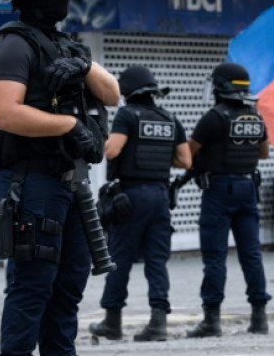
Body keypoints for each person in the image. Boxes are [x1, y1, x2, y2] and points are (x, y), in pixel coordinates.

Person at [0, 0, 120, 356]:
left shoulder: (65, 45)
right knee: (31, 289)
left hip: (71, 184)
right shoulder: (12, 44)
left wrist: (83, 66)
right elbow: (6, 113)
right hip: (32, 182)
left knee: (68, 289)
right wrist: (71, 124)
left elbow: (112, 95)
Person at [88, 65, 191, 342]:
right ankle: (158, 324)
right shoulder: (169, 118)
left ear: (127, 91)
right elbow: (185, 160)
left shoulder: (127, 115)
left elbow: (112, 150)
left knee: (120, 259)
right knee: (157, 260)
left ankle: (112, 322)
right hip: (160, 196)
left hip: (130, 197)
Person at [186, 62, 271, 337]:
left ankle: (212, 320)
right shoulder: (255, 116)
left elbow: (188, 153)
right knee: (251, 254)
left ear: (221, 87)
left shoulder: (214, 117)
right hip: (248, 187)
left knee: (215, 256)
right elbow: (264, 153)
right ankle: (259, 318)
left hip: (219, 190)